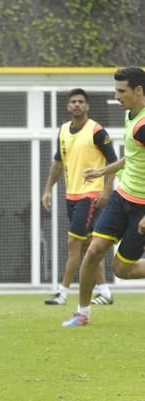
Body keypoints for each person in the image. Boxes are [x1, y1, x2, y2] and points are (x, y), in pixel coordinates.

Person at [63, 66, 145, 327]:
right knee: (93, 250)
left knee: (121, 270)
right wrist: (102, 170)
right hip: (122, 198)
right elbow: (131, 158)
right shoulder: (131, 115)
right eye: (115, 90)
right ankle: (82, 313)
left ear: (139, 91)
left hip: (141, 208)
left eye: (121, 91)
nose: (117, 96)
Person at [42, 88, 117, 306]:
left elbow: (113, 162)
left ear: (87, 106)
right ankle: (104, 291)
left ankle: (62, 292)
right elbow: (58, 163)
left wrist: (106, 190)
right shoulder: (64, 130)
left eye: (81, 101)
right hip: (71, 195)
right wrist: (47, 189)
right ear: (68, 106)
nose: (77, 104)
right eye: (73, 101)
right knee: (86, 247)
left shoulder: (97, 131)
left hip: (90, 194)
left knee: (73, 242)